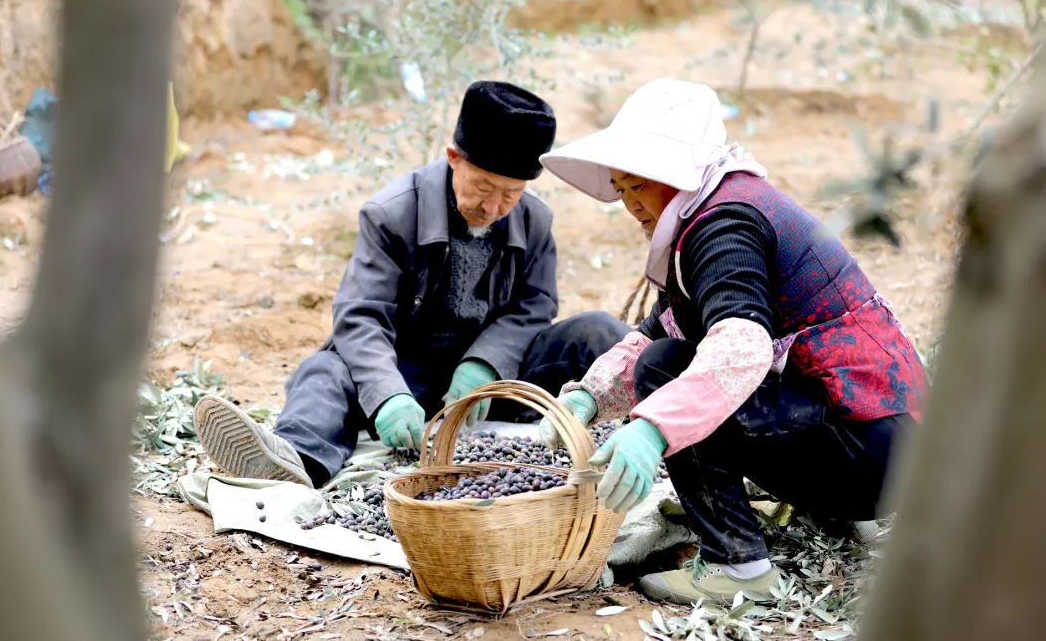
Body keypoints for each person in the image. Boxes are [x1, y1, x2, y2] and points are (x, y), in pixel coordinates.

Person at [537, 79, 927, 604]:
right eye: (621, 189)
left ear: (675, 174)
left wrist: (652, 430)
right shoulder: (720, 205)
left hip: (871, 452)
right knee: (663, 358)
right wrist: (587, 396)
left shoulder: (724, 225)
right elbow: (666, 325)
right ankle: (829, 510)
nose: (630, 204)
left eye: (639, 185)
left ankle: (738, 568)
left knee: (665, 370)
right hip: (887, 443)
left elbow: (739, 349)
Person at [194, 80, 629, 488]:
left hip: (492, 384)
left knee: (599, 333)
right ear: (453, 157)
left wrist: (486, 364)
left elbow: (534, 306)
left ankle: (654, 439)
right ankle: (294, 462)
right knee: (325, 371)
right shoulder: (391, 214)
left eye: (510, 193)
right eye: (482, 186)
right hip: (407, 371)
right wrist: (387, 396)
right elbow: (361, 316)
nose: (493, 206)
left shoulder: (535, 220)